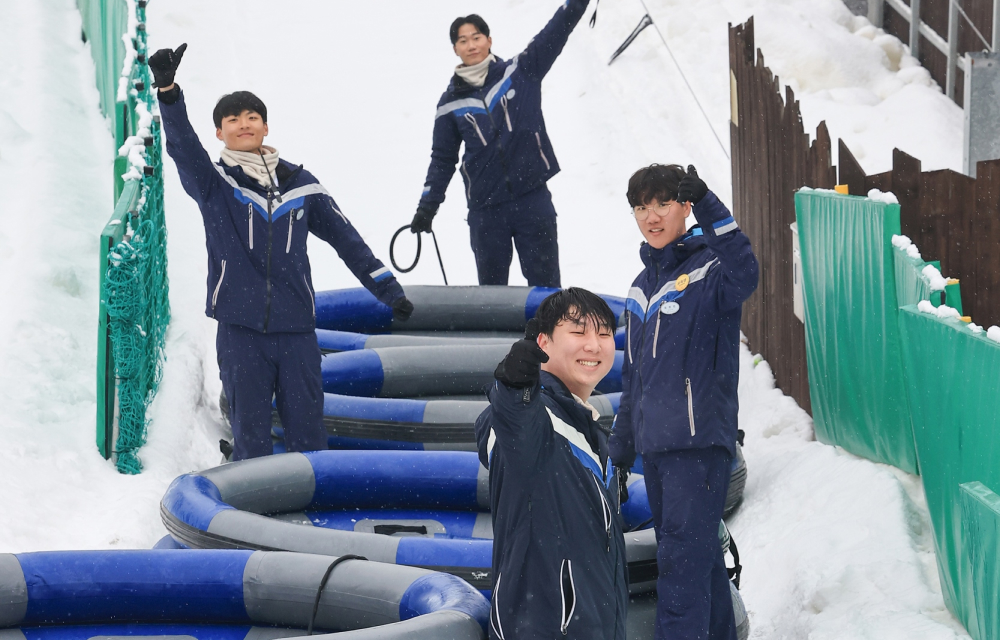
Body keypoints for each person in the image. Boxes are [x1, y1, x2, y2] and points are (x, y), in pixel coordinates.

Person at [148, 44, 413, 462]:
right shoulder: (215, 185)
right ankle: (250, 524)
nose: (243, 124)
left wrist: (389, 290)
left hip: (296, 331)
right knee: (250, 438)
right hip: (240, 331)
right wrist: (169, 92)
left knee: (308, 434)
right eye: (232, 119)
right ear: (220, 133)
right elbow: (182, 146)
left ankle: (312, 521)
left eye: (252, 116)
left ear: (266, 127)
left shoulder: (301, 185)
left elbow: (348, 239)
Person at [609, 164, 758, 639]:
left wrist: (711, 203)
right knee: (701, 564)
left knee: (679, 571)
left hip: (698, 446)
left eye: (663, 203)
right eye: (641, 206)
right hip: (656, 451)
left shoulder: (712, 270)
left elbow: (746, 269)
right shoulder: (639, 287)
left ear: (685, 207)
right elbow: (633, 378)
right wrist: (618, 453)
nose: (651, 216)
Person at [475, 288, 628, 640]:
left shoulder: (590, 432)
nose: (594, 345)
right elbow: (510, 423)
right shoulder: (535, 415)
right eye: (578, 332)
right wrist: (515, 386)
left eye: (603, 333)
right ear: (542, 343)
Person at [410, 2, 594, 288]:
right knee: (492, 299)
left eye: (476, 37)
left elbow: (555, 31)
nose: (471, 45)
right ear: (455, 49)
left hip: (532, 200)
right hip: (486, 212)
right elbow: (442, 159)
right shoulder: (450, 105)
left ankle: (549, 334)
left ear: (489, 41)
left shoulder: (521, 71)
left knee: (547, 293)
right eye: (462, 40)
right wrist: (427, 206)